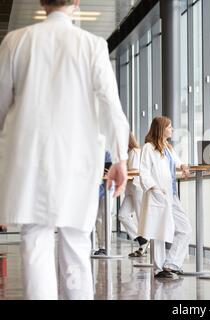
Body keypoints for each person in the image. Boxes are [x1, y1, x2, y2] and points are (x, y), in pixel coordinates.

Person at [0, 0, 129, 299]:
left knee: (35, 241)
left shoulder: (15, 41)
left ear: (42, 2)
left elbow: (2, 104)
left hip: (28, 156)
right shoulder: (92, 45)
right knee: (76, 242)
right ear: (76, 3)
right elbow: (110, 104)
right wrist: (120, 157)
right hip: (77, 156)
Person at [138, 116, 192, 278]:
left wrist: (183, 165)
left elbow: (177, 163)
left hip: (171, 194)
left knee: (185, 229)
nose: (172, 129)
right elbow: (144, 171)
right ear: (161, 129)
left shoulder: (168, 147)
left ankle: (171, 263)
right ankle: (159, 268)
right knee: (158, 231)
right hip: (158, 193)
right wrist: (154, 188)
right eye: (169, 127)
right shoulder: (149, 147)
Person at [116, 133, 146, 257]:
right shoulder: (126, 154)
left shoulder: (135, 151)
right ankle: (142, 240)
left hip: (137, 187)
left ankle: (144, 244)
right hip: (130, 189)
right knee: (122, 215)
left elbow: (134, 171)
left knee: (141, 218)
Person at [93, 151, 114, 256]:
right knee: (98, 219)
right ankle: (102, 246)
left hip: (107, 187)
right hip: (95, 188)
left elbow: (108, 168)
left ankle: (105, 247)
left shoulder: (107, 150)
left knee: (105, 217)